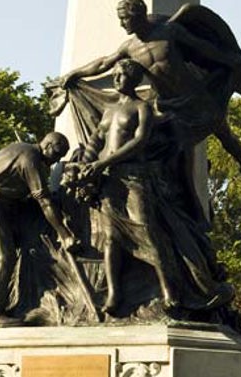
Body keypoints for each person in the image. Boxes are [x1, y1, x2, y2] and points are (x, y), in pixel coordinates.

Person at [61, 0, 241, 197]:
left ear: (137, 15)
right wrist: (75, 74)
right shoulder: (129, 47)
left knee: (223, 131)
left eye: (124, 18)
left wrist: (227, 60)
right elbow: (104, 63)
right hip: (166, 104)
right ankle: (187, 198)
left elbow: (201, 47)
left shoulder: (169, 31)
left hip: (193, 95)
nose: (122, 24)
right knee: (179, 149)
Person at [75, 59, 180, 315]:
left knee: (146, 230)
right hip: (108, 180)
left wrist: (103, 162)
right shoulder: (109, 111)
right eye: (115, 74)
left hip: (133, 176)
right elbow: (95, 141)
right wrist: (85, 165)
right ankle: (114, 294)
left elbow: (140, 141)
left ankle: (169, 290)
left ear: (134, 79)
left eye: (122, 74)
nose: (117, 78)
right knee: (111, 238)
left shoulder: (142, 107)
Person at [0, 132, 74, 326]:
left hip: (4, 205)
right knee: (3, 258)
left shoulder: (20, 149)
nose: (56, 161)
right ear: (48, 146)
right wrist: (65, 234)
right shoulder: (31, 159)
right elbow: (43, 201)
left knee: (15, 253)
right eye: (57, 154)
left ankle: (10, 305)